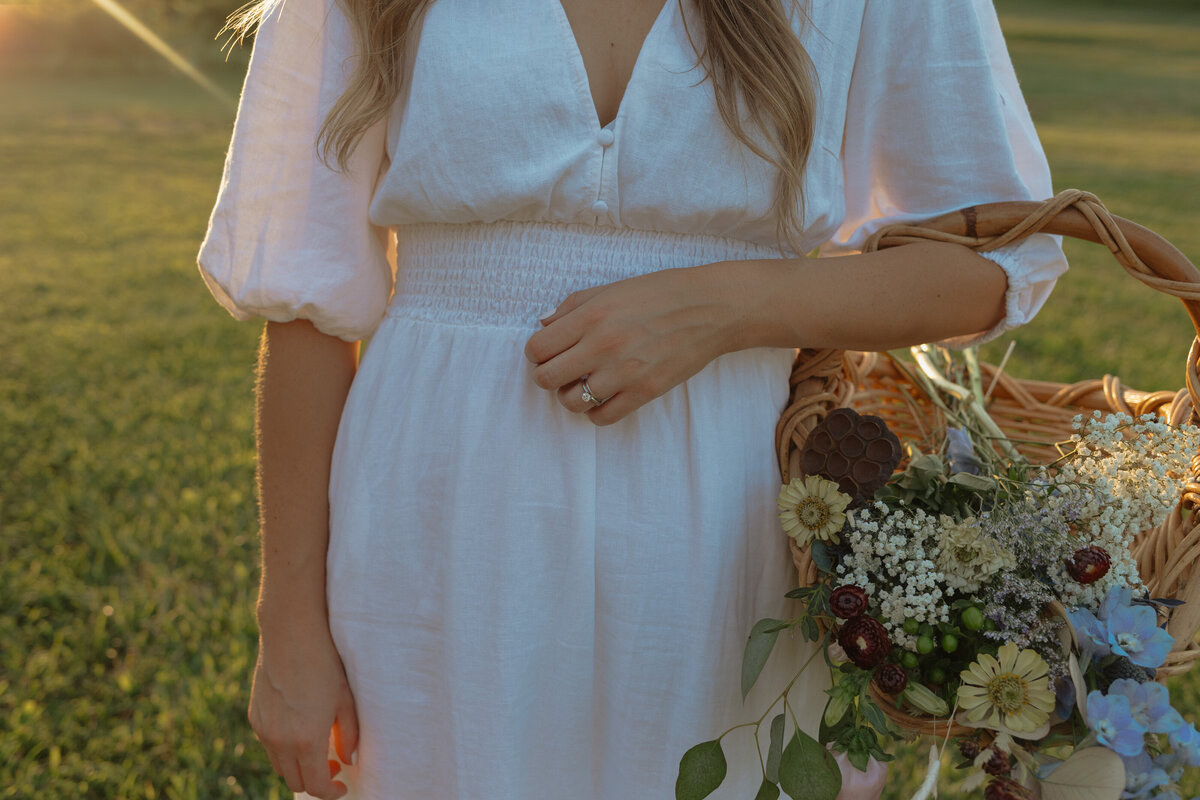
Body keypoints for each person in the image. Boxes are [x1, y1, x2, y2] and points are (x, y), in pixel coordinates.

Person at [197, 0, 1067, 797]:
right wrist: (290, 628)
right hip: (434, 527)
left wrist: (728, 306)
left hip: (734, 537)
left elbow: (991, 266)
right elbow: (305, 304)